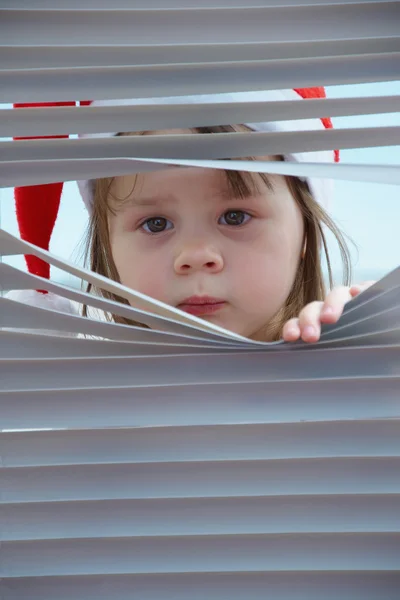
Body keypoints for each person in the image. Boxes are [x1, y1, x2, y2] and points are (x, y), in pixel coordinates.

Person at [11, 88, 373, 342]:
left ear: (306, 233)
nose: (196, 256)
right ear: (109, 244)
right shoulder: (82, 401)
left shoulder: (337, 383)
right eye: (156, 224)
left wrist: (372, 344)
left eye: (234, 217)